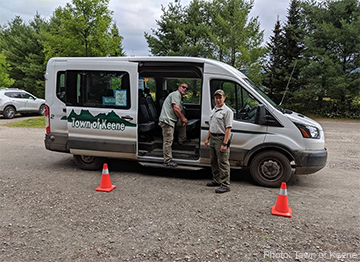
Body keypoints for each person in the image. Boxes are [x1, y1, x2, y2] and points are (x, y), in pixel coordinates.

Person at [204, 89, 233, 193]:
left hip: (221, 138)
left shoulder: (227, 111)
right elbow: (211, 126)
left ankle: (225, 185)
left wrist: (225, 143)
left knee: (223, 162)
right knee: (213, 161)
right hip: (213, 137)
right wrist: (207, 139)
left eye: (220, 97)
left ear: (224, 98)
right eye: (216, 98)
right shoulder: (214, 109)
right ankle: (217, 180)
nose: (218, 99)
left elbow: (228, 128)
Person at [159, 83, 189, 167]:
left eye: (187, 88)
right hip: (167, 121)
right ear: (179, 87)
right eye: (183, 87)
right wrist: (183, 118)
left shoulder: (179, 97)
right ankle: (167, 160)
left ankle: (182, 140)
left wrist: (183, 120)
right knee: (168, 140)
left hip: (172, 119)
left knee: (184, 124)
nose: (185, 89)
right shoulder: (175, 94)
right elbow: (176, 108)